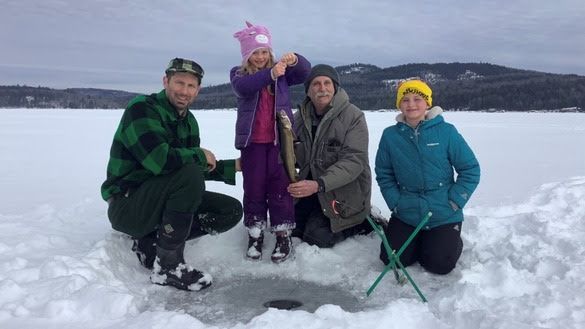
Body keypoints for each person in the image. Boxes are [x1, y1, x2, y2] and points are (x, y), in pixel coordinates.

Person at [101, 58, 243, 291]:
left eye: (191, 86)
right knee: (187, 173)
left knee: (229, 210)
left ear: (198, 90)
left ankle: (154, 243)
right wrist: (198, 155)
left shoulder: (189, 122)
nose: (184, 91)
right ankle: (168, 266)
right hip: (129, 205)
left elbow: (189, 173)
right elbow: (160, 161)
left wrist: (233, 166)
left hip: (160, 199)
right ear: (166, 81)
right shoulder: (142, 109)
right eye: (179, 83)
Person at [375, 79, 480, 275]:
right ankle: (420, 239)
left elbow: (470, 169)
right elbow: (384, 173)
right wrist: (395, 202)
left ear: (428, 103)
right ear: (399, 104)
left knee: (439, 264)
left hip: (443, 212)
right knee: (392, 259)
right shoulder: (390, 135)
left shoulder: (446, 132)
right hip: (407, 210)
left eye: (417, 99)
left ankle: (449, 239)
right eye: (405, 99)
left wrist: (455, 201)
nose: (411, 104)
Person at [230, 21, 311, 263]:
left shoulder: (282, 75)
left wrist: (294, 59)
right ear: (247, 55)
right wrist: (271, 73)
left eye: (264, 52)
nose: (260, 57)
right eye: (255, 53)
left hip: (279, 143)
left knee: (280, 189)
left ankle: (282, 233)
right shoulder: (238, 74)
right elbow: (244, 88)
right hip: (252, 145)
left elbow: (304, 72)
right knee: (253, 189)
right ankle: (255, 234)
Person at [287, 64, 373, 248]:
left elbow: (354, 160)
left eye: (327, 83)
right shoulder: (299, 119)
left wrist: (319, 184)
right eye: (316, 84)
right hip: (310, 191)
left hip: (342, 193)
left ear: (335, 87)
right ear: (308, 91)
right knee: (289, 229)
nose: (322, 88)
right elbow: (288, 153)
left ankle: (362, 222)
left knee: (317, 238)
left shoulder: (353, 116)